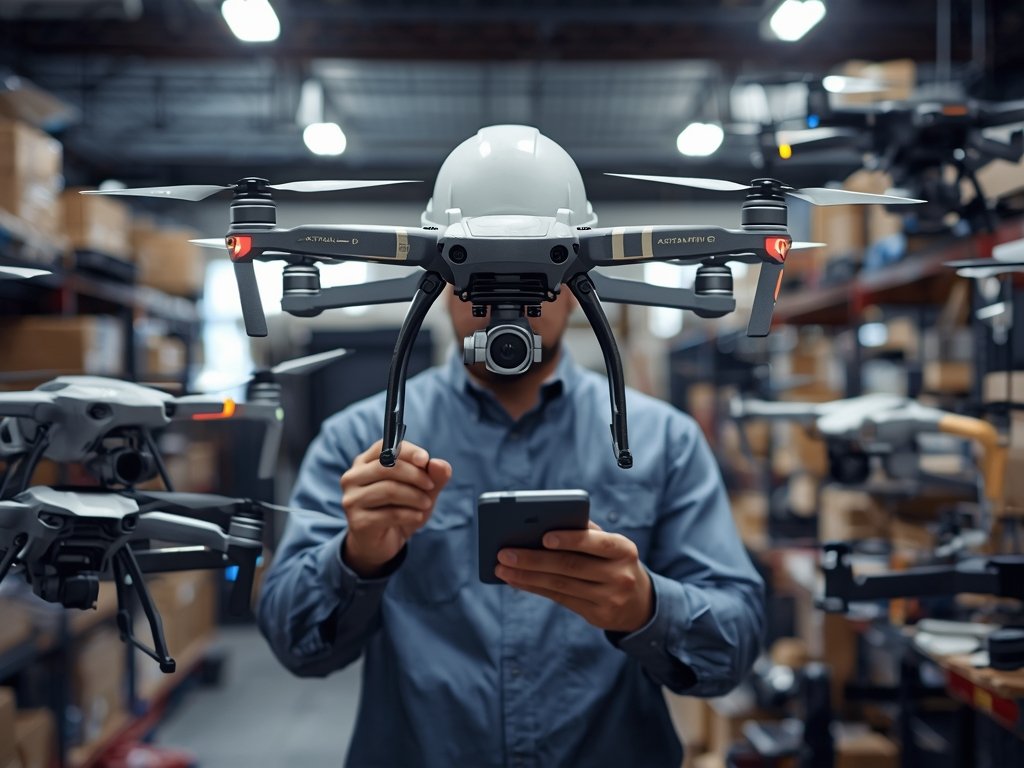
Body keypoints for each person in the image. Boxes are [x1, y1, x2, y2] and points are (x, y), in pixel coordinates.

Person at [258, 125, 764, 768]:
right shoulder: (363, 444)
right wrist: (356, 558)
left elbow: (737, 642)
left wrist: (646, 606)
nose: (505, 306)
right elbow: (293, 641)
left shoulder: (663, 442)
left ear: (578, 273)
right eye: (478, 275)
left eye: (531, 275)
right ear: (438, 275)